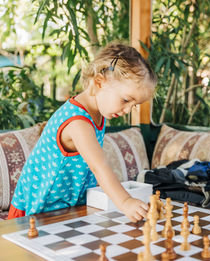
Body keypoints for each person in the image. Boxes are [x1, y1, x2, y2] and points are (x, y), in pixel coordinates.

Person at [8, 43, 157, 222]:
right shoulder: (78, 122)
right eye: (125, 100)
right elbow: (99, 166)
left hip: (63, 209)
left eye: (134, 105)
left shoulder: (98, 114)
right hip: (35, 211)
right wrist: (125, 202)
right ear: (99, 82)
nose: (127, 109)